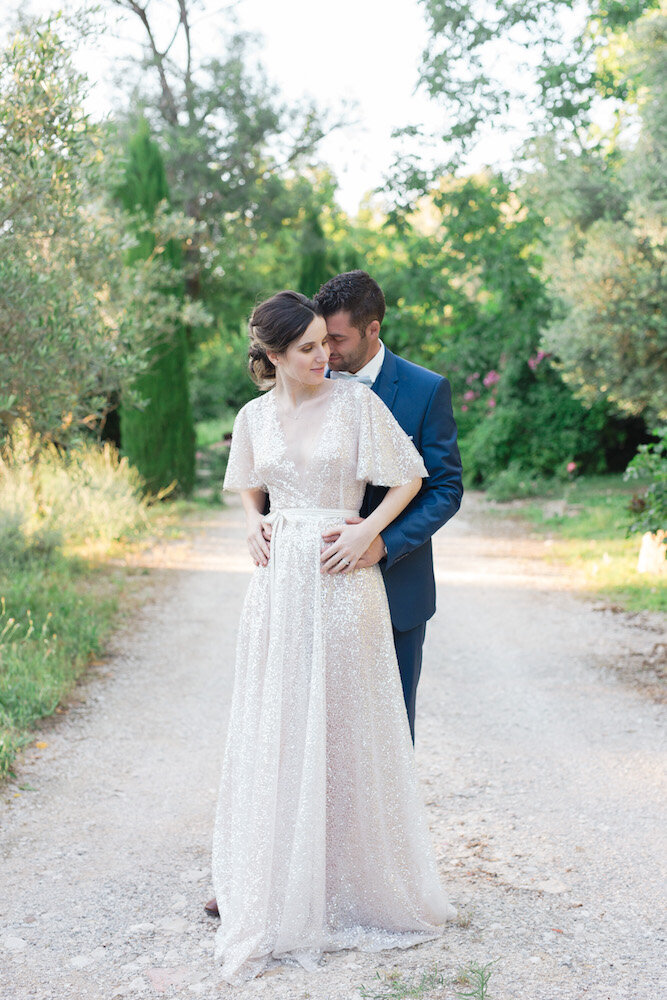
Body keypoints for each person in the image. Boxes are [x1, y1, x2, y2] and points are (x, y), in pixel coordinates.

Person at [211, 290, 455, 983]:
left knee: (349, 725)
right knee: (280, 719)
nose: (326, 357)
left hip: (343, 578)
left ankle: (357, 880)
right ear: (272, 358)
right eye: (309, 348)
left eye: (327, 342)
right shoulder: (252, 416)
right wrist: (249, 519)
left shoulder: (354, 403)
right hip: (280, 584)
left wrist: (367, 530)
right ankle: (280, 878)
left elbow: (411, 477)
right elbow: (244, 484)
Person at [315, 271, 462, 742]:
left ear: (373, 329)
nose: (326, 351)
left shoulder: (426, 390)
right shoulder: (304, 383)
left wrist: (383, 543)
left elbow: (444, 489)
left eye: (336, 339)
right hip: (319, 584)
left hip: (396, 585)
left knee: (391, 732)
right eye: (320, 338)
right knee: (321, 731)